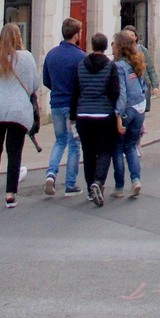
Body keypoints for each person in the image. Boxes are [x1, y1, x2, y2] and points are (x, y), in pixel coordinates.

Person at [0, 23, 40, 209]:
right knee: (14, 152)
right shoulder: (27, 58)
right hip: (18, 111)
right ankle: (10, 194)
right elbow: (34, 84)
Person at [69, 32, 123, 207]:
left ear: (91, 45)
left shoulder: (81, 65)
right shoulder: (110, 66)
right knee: (105, 150)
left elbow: (75, 91)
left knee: (88, 152)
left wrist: (72, 116)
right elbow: (115, 92)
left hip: (83, 114)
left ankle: (90, 187)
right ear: (106, 47)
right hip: (103, 114)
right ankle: (98, 181)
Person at [42, 17, 86, 197]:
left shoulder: (51, 54)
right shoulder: (81, 57)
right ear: (76, 35)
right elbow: (83, 83)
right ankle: (70, 184)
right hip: (73, 106)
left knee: (59, 141)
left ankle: (51, 174)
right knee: (74, 144)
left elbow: (46, 80)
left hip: (56, 103)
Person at [110, 31, 148, 199]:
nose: (112, 47)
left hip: (127, 110)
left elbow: (122, 93)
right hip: (139, 108)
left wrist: (118, 114)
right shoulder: (136, 62)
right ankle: (136, 179)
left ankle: (119, 186)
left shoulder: (119, 66)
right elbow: (143, 87)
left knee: (118, 148)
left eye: (114, 44)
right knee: (131, 146)